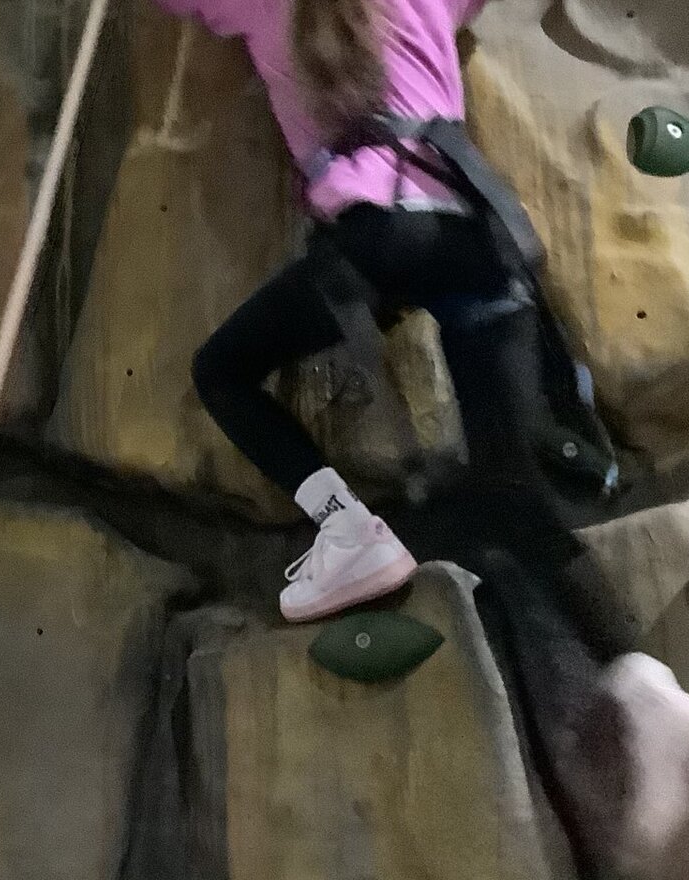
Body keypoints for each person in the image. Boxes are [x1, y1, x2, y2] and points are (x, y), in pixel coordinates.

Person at [156, 0, 590, 621]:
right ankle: (635, 676)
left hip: (377, 239)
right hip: (478, 237)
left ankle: (348, 530)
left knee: (221, 371)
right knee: (515, 491)